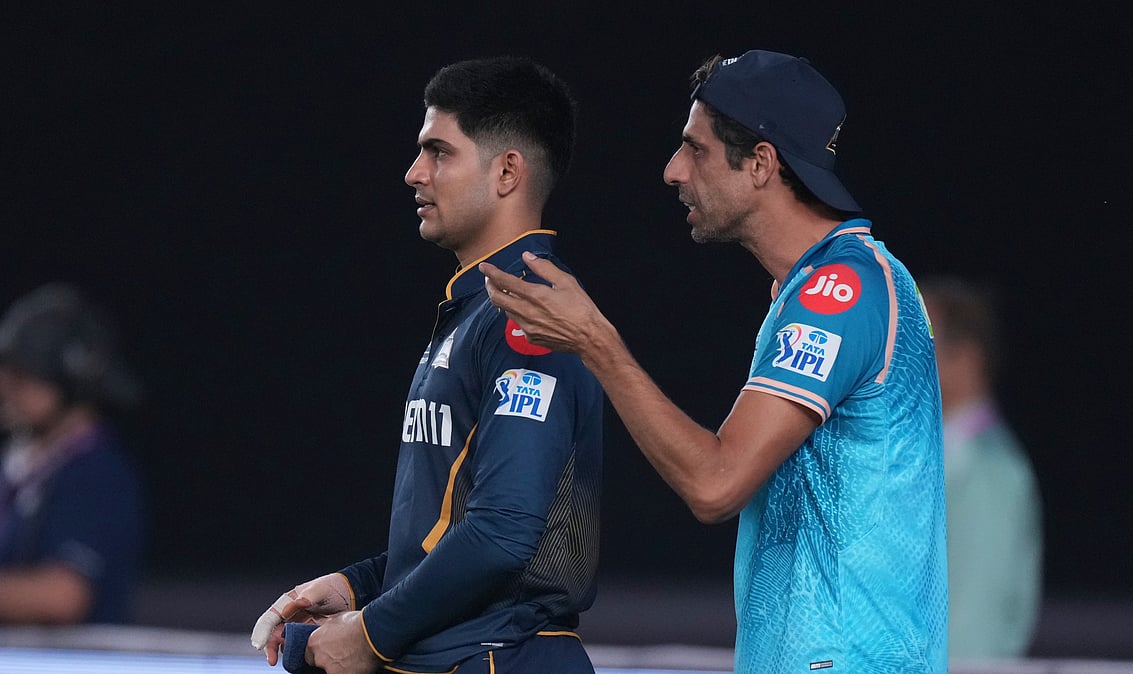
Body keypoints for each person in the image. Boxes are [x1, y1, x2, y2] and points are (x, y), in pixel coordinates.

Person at [482, 50, 947, 672]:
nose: (672, 170)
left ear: (760, 163)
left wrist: (595, 341)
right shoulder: (821, 286)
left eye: (694, 148)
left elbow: (715, 484)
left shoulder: (842, 289)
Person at [250, 57, 603, 674]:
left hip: (500, 659)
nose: (414, 173)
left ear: (507, 172)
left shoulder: (529, 319)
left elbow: (503, 535)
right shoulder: (480, 309)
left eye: (439, 152)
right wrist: (359, 586)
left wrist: (367, 634)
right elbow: (462, 525)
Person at [0, 283, 145, 625]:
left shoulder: (97, 473)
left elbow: (63, 596)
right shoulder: (20, 463)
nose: (4, 388)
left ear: (71, 378)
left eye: (21, 376)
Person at [919, 277, 1042, 660]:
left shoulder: (990, 472)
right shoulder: (946, 458)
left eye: (921, 344)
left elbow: (976, 623)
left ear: (966, 358)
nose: (898, 357)